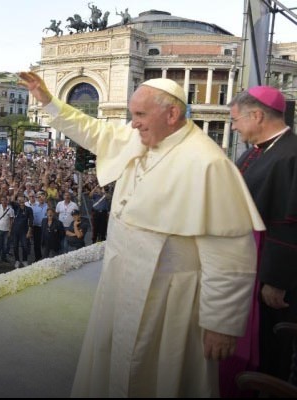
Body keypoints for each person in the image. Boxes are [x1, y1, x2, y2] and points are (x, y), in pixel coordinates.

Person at [19, 71, 264, 396]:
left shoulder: (208, 164)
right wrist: (49, 103)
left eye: (140, 115)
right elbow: (94, 131)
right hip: (121, 283)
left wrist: (221, 323)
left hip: (169, 299)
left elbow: (230, 254)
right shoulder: (144, 136)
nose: (132, 123)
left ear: (172, 114)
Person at [220, 86, 297, 394]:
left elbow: (290, 222)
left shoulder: (290, 155)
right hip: (250, 261)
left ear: (258, 115)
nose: (233, 126)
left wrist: (276, 280)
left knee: (272, 341)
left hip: (275, 276)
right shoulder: (256, 151)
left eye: (236, 119)